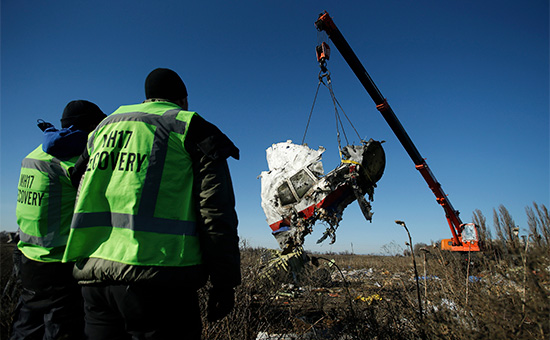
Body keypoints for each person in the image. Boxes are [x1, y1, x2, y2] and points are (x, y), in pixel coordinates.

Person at [62, 68, 241, 339]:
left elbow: (78, 182)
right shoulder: (190, 126)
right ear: (182, 100)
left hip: (94, 279)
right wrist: (224, 282)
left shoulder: (103, 128)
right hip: (159, 282)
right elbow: (215, 212)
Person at [11, 100, 106, 340]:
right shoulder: (77, 160)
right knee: (63, 331)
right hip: (60, 263)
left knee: (26, 328)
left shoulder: (34, 155)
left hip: (28, 259)